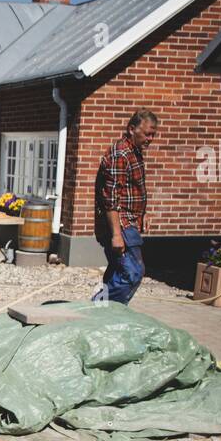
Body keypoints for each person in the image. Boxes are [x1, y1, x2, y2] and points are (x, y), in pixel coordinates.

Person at [91, 108, 158, 305]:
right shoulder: (120, 154)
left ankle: (106, 317)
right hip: (121, 225)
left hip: (130, 222)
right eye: (147, 133)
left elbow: (131, 189)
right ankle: (96, 309)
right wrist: (116, 235)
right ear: (131, 129)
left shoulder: (134, 152)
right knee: (133, 273)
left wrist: (143, 213)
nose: (150, 139)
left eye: (153, 134)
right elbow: (110, 199)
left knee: (117, 271)